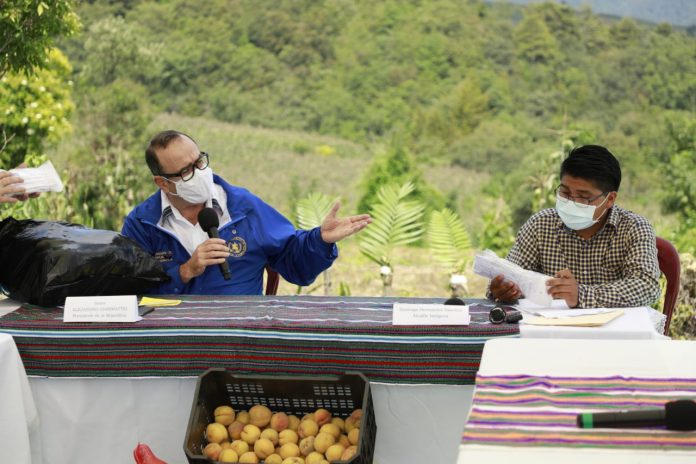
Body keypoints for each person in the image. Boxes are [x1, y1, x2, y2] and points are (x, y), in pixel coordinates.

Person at [122, 130, 371, 295]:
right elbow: (130, 289)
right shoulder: (142, 223)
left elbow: (294, 261)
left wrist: (320, 240)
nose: (199, 173)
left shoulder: (243, 207)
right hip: (172, 342)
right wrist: (184, 271)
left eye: (199, 162)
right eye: (186, 171)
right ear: (162, 183)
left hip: (238, 339)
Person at [489, 144, 660, 308]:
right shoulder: (540, 225)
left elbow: (647, 286)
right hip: (549, 331)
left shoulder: (633, 228)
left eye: (583, 196)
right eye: (565, 192)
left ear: (610, 199)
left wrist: (581, 295)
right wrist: (503, 289)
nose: (571, 201)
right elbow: (512, 273)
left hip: (614, 333)